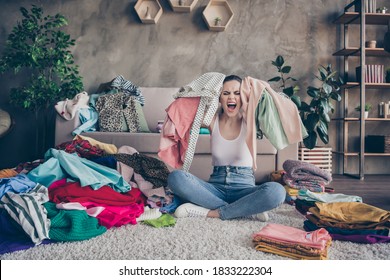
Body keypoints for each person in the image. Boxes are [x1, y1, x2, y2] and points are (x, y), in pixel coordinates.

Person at [167, 75, 286, 221]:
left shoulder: (251, 119)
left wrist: (254, 88)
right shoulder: (211, 120)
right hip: (215, 189)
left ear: (244, 97)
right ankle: (244, 210)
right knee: (176, 178)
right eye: (226, 93)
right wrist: (210, 84)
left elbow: (274, 107)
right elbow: (182, 106)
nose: (231, 98)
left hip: (245, 189)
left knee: (277, 191)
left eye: (237, 93)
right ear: (219, 97)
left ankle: (214, 212)